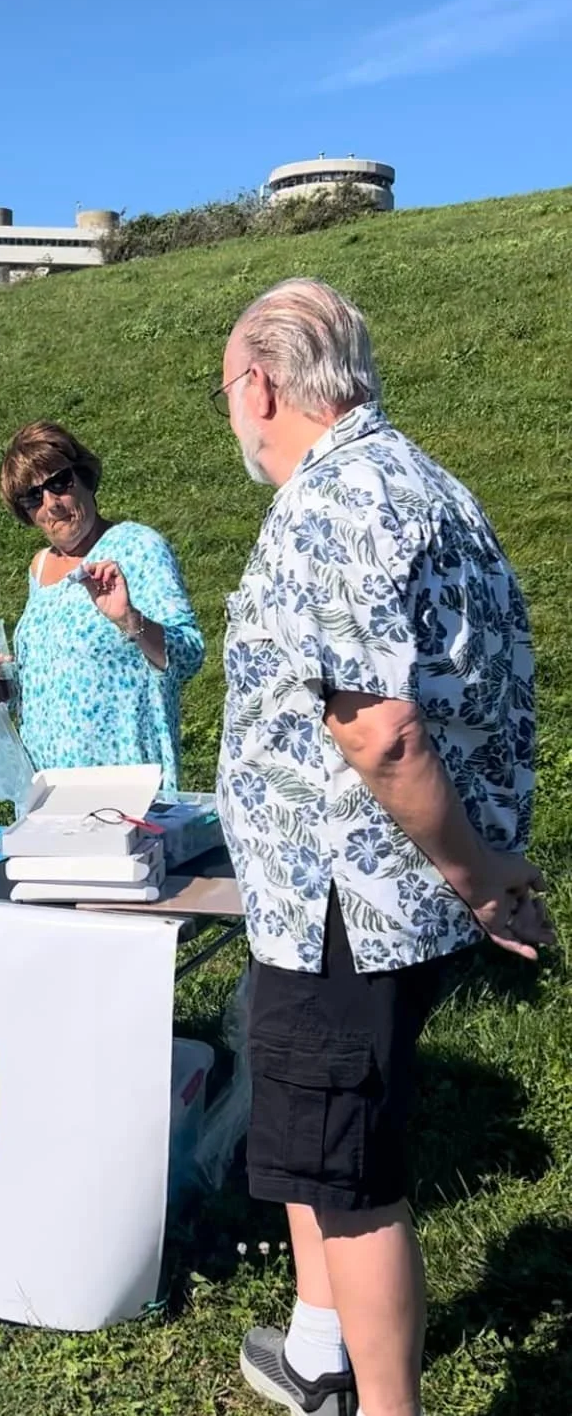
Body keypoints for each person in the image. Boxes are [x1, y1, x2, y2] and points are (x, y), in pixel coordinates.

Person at [213, 278, 553, 1416]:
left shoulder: (333, 501)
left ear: (259, 384)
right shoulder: (423, 480)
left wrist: (480, 877)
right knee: (326, 1148)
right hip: (359, 897)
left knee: (352, 1182)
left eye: (229, 394)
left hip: (349, 900)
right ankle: (320, 1346)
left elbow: (385, 729)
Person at [0, 420, 204, 794]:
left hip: (123, 792)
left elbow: (188, 656)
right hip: (47, 795)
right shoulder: (39, 567)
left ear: (85, 478)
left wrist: (130, 620)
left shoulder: (137, 546)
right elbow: (53, 673)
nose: (52, 504)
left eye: (59, 483)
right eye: (32, 497)